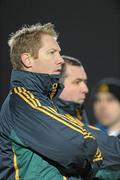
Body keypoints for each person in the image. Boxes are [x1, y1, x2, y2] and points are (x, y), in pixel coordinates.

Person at [0, 23, 100, 180]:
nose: (60, 60)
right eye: (52, 52)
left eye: (59, 53)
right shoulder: (21, 102)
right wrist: (92, 158)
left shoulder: (45, 102)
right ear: (27, 60)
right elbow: (75, 147)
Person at [55, 55, 120, 180]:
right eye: (97, 100)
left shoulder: (82, 122)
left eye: (110, 100)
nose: (102, 106)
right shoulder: (51, 119)